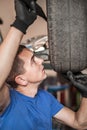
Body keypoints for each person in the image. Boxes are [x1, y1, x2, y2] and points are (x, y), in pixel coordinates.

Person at [0, 0, 87, 130]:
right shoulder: (8, 103)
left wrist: (86, 95)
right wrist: (20, 24)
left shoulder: (44, 98)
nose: (40, 61)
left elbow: (79, 123)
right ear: (21, 79)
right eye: (33, 60)